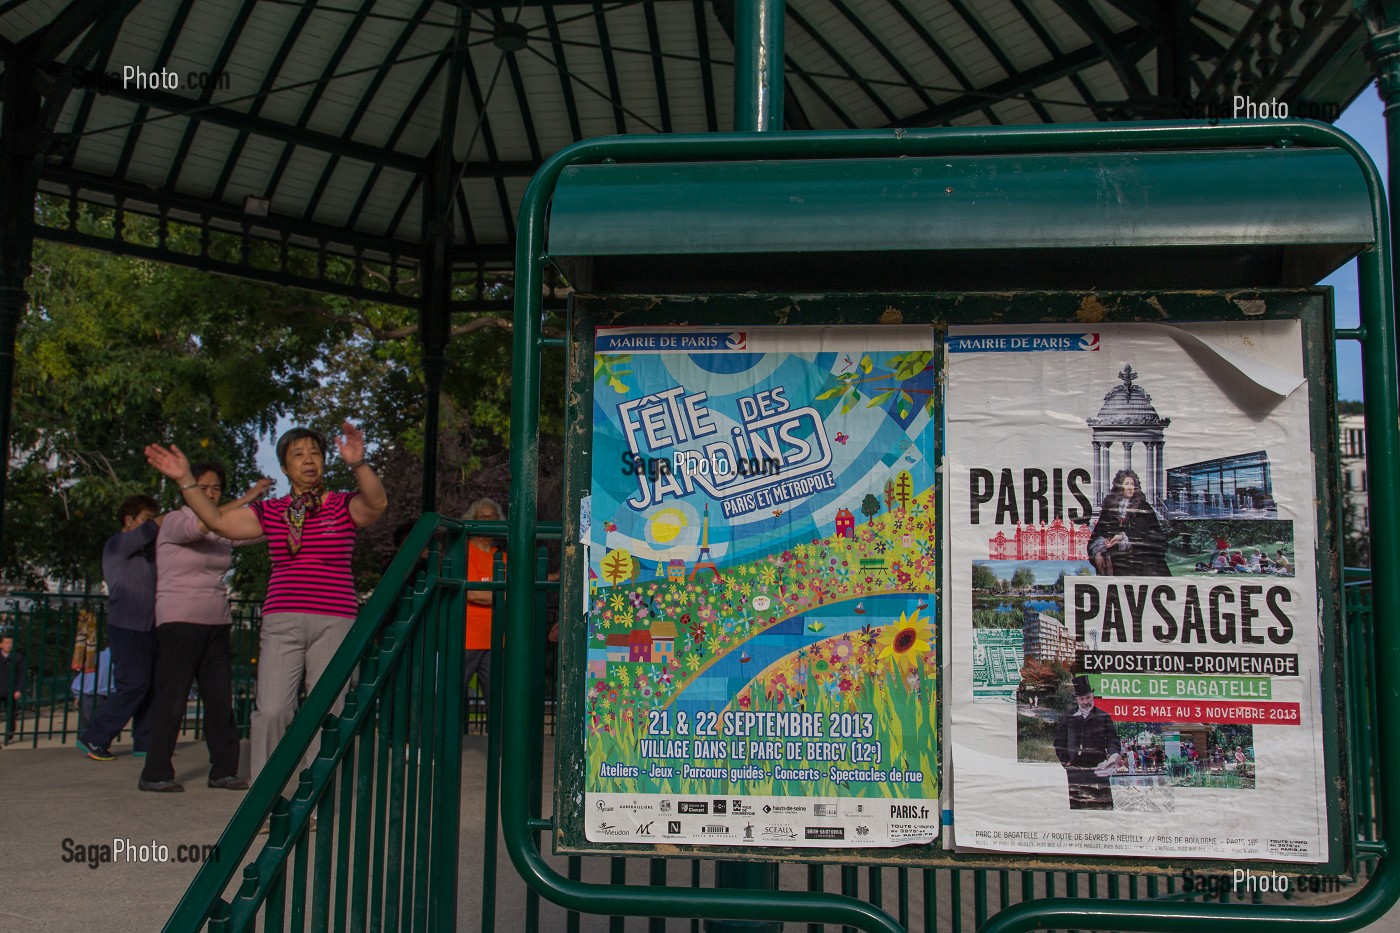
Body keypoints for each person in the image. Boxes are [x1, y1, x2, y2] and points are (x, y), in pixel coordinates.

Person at [146, 423, 387, 780]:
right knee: (273, 709)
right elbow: (216, 521)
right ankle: (268, 791)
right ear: (285, 467)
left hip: (335, 619)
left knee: (327, 709)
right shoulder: (271, 511)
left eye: (315, 453)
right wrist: (185, 480)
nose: (309, 460)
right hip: (282, 619)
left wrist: (358, 463)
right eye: (298, 455)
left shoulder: (342, 505)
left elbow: (377, 503)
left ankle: (316, 791)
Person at [137, 463, 271, 793]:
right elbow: (204, 522)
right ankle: (155, 773)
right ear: (187, 489)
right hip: (179, 621)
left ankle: (223, 771)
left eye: (216, 488)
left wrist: (297, 516)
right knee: (173, 699)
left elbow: (256, 531)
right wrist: (248, 498)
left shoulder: (220, 528)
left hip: (216, 622)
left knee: (219, 700)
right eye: (203, 488)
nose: (210, 494)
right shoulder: (175, 520)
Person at [79, 495, 165, 761]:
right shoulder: (118, 543)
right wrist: (180, 512)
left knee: (151, 685)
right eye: (145, 519)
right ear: (129, 520)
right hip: (126, 625)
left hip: (148, 626)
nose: (151, 525)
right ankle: (96, 736)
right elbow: (150, 530)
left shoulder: (146, 554)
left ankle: (145, 741)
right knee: (133, 683)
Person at [463, 498, 505, 714]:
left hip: (497, 639)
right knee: (453, 697)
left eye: (492, 517)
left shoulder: (503, 556)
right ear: (473, 519)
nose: (488, 521)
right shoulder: (465, 551)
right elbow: (472, 593)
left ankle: (498, 739)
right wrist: (504, 595)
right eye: (483, 517)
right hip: (467, 638)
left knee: (498, 701)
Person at [1053, 674, 1119, 810]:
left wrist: (1112, 756)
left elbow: (1113, 740)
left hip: (1098, 768)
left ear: (1092, 696)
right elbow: (1059, 742)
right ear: (1077, 699)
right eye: (1082, 699)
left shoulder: (1103, 716)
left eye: (1088, 697)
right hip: (1075, 769)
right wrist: (1066, 762)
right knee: (1078, 807)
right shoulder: (1068, 717)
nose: (1085, 702)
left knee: (1102, 806)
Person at [1087, 470, 1169, 576]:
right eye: (1126, 484)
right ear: (1119, 486)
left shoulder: (1143, 507)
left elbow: (1152, 536)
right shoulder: (1110, 508)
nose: (1130, 487)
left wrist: (1123, 538)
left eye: (1132, 484)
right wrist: (1098, 552)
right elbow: (1099, 533)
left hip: (1141, 563)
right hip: (1118, 564)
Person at [0, 632, 25, 745]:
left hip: (11, 690)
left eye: (10, 643)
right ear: (1, 644)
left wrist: (19, 689)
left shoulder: (18, 658)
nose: (9, 645)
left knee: (10, 713)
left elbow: (22, 675)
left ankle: (9, 733)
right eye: (6, 643)